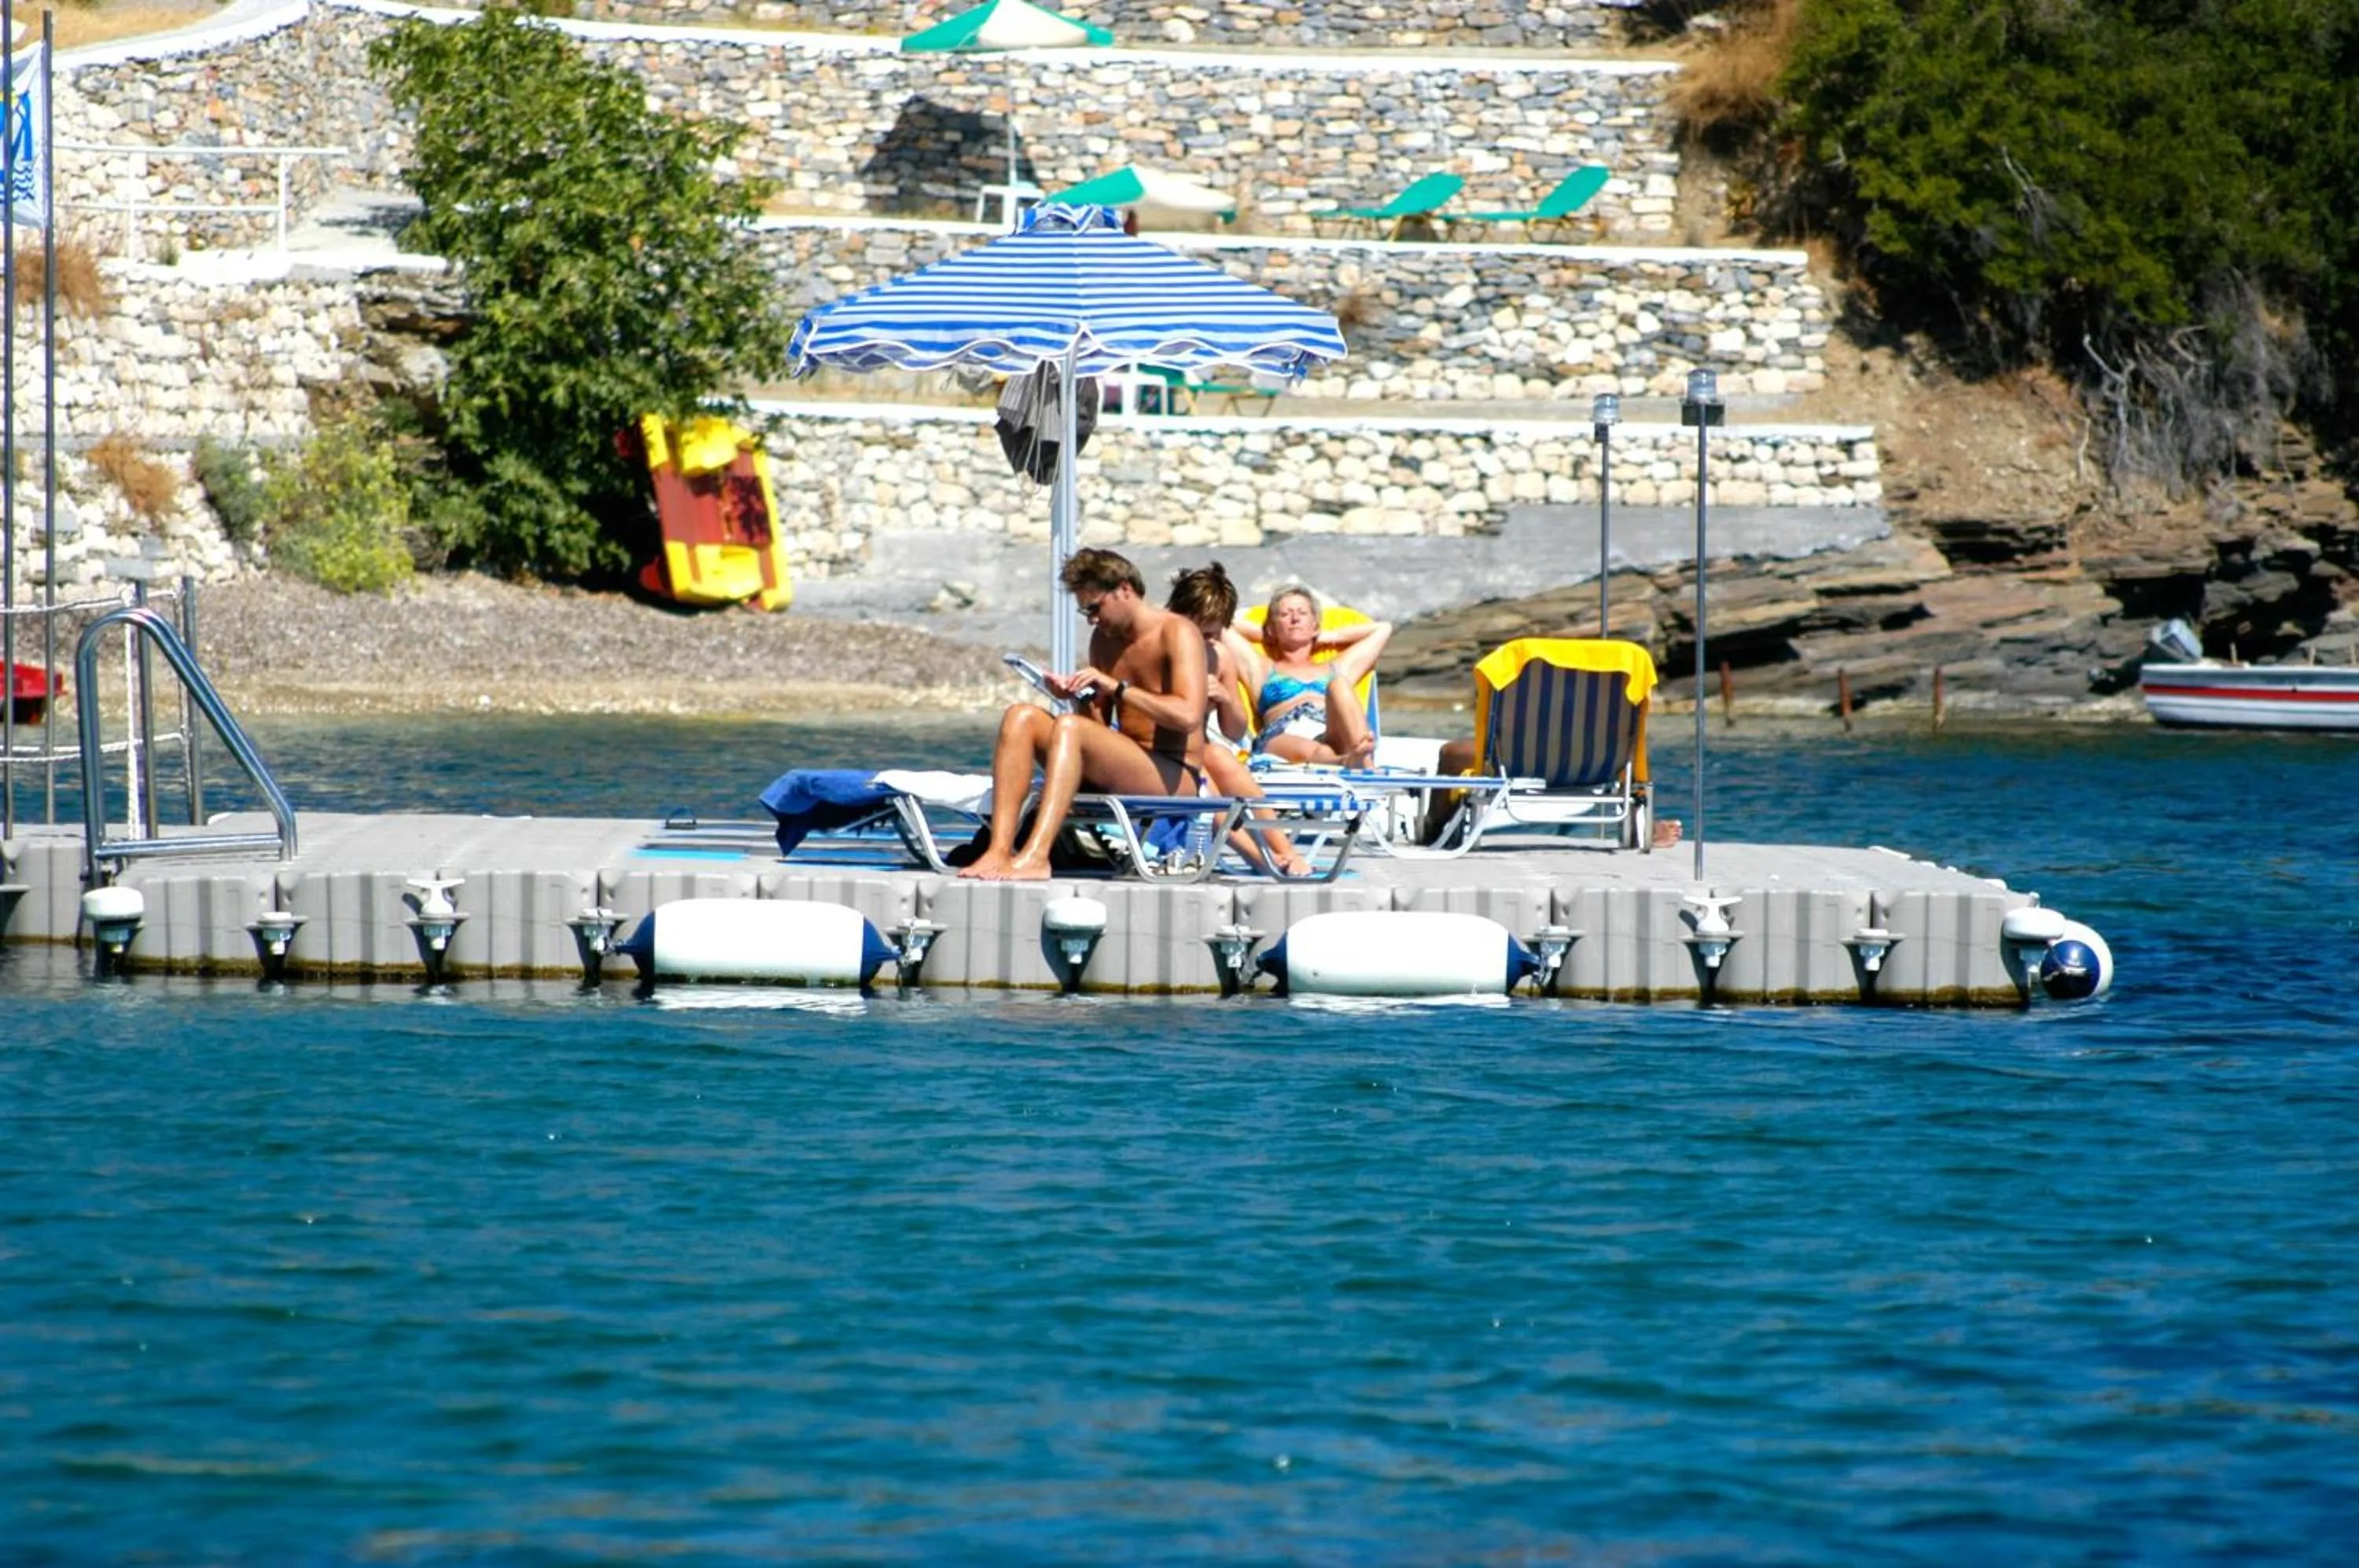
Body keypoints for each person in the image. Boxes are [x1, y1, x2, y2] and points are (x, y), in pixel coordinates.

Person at [959, 548, 1209, 881]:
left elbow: (1188, 715)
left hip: (1173, 775)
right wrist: (1081, 697)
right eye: (1084, 612)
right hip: (1124, 765)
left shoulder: (1177, 631)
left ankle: (1037, 856)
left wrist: (1117, 688)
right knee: (1021, 716)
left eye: (1094, 608)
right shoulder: (1104, 641)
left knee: (1069, 727)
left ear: (1124, 589)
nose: (1092, 619)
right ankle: (998, 850)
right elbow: (1095, 729)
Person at [1166, 563, 1312, 878]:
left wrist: (1226, 698)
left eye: (1213, 633)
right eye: (1198, 632)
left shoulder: (1218, 656)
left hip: (1200, 750)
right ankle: (1260, 859)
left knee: (1219, 755)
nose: (1205, 640)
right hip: (1162, 753)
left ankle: (1285, 851)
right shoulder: (1158, 649)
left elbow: (1234, 731)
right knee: (1201, 774)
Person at [1221, 585, 1393, 766]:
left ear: (1315, 626)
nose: (1295, 619)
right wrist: (1269, 635)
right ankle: (1348, 761)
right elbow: (1223, 625)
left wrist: (1327, 636)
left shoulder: (1336, 668)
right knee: (1320, 751)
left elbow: (1382, 629)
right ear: (1271, 628)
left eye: (1302, 613)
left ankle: (1362, 758)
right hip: (1283, 735)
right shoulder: (1262, 669)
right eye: (1285, 614)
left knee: (1339, 684)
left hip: (1332, 732)